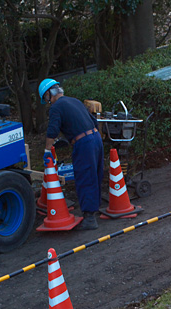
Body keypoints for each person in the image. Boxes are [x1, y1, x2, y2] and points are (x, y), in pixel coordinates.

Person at [40, 78, 104, 230]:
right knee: (95, 175)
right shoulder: (74, 101)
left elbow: (52, 131)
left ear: (49, 94)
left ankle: (89, 219)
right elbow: (93, 122)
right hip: (96, 138)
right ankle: (94, 210)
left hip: (84, 143)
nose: (47, 102)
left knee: (84, 177)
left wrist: (48, 151)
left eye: (45, 98)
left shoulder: (56, 107)